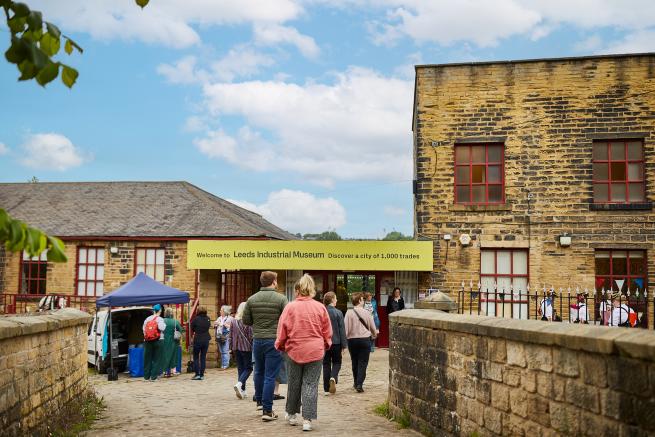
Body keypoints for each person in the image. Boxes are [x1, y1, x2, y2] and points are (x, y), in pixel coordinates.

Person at [276, 274, 332, 432]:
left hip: (294, 349)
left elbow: (282, 330)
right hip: (315, 350)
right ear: (312, 289)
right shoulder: (320, 307)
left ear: (297, 289)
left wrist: (280, 345)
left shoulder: (290, 307)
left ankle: (292, 414)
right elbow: (327, 331)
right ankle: (307, 420)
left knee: (294, 383)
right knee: (310, 385)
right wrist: (326, 344)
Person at [243, 271, 288, 422]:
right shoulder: (281, 299)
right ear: (274, 282)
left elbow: (246, 321)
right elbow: (287, 321)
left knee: (259, 372)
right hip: (274, 340)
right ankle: (267, 410)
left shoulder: (251, 299)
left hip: (258, 339)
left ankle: (260, 401)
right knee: (270, 375)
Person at [345, 293, 378, 393]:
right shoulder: (367, 313)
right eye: (362, 300)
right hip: (364, 340)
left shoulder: (348, 313)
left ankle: (356, 382)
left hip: (352, 340)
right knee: (363, 363)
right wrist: (374, 334)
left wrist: (344, 342)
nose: (363, 301)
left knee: (354, 362)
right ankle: (359, 384)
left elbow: (346, 329)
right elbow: (373, 327)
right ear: (359, 301)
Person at [322, 291, 346, 396]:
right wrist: (344, 345)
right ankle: (333, 377)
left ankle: (326, 389)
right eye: (335, 298)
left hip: (324, 343)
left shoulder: (322, 312)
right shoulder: (338, 313)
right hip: (336, 342)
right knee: (337, 362)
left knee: (326, 364)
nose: (337, 300)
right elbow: (342, 330)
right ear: (332, 300)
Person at [230, 302, 254, 399]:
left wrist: (231, 347)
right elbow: (251, 336)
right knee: (248, 368)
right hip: (246, 348)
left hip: (236, 348)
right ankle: (240, 384)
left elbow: (230, 335)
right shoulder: (248, 322)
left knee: (240, 368)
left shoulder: (233, 321)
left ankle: (242, 390)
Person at [142, 304, 166, 381]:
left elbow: (144, 330)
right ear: (160, 310)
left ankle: (146, 377)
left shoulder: (147, 319)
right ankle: (153, 377)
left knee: (147, 358)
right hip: (158, 340)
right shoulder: (160, 319)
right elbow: (162, 328)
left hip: (148, 341)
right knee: (157, 359)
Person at [162, 308, 185, 377]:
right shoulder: (175, 322)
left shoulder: (162, 321)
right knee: (173, 355)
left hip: (164, 341)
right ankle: (173, 371)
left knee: (165, 355)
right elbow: (180, 330)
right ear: (172, 314)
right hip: (174, 341)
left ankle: (164, 371)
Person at [190, 306, 211, 380]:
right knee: (203, 357)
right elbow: (209, 326)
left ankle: (197, 374)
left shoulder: (196, 319)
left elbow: (192, 327)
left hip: (198, 339)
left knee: (196, 357)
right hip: (206, 339)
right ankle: (202, 374)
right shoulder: (208, 318)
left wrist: (196, 330)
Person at [214, 305, 232, 370]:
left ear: (225, 311)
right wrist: (216, 323)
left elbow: (231, 327)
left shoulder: (230, 318)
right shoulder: (219, 318)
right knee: (221, 351)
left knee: (225, 351)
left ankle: (226, 365)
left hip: (226, 336)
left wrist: (223, 324)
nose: (220, 311)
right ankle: (223, 364)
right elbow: (215, 324)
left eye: (221, 310)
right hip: (219, 336)